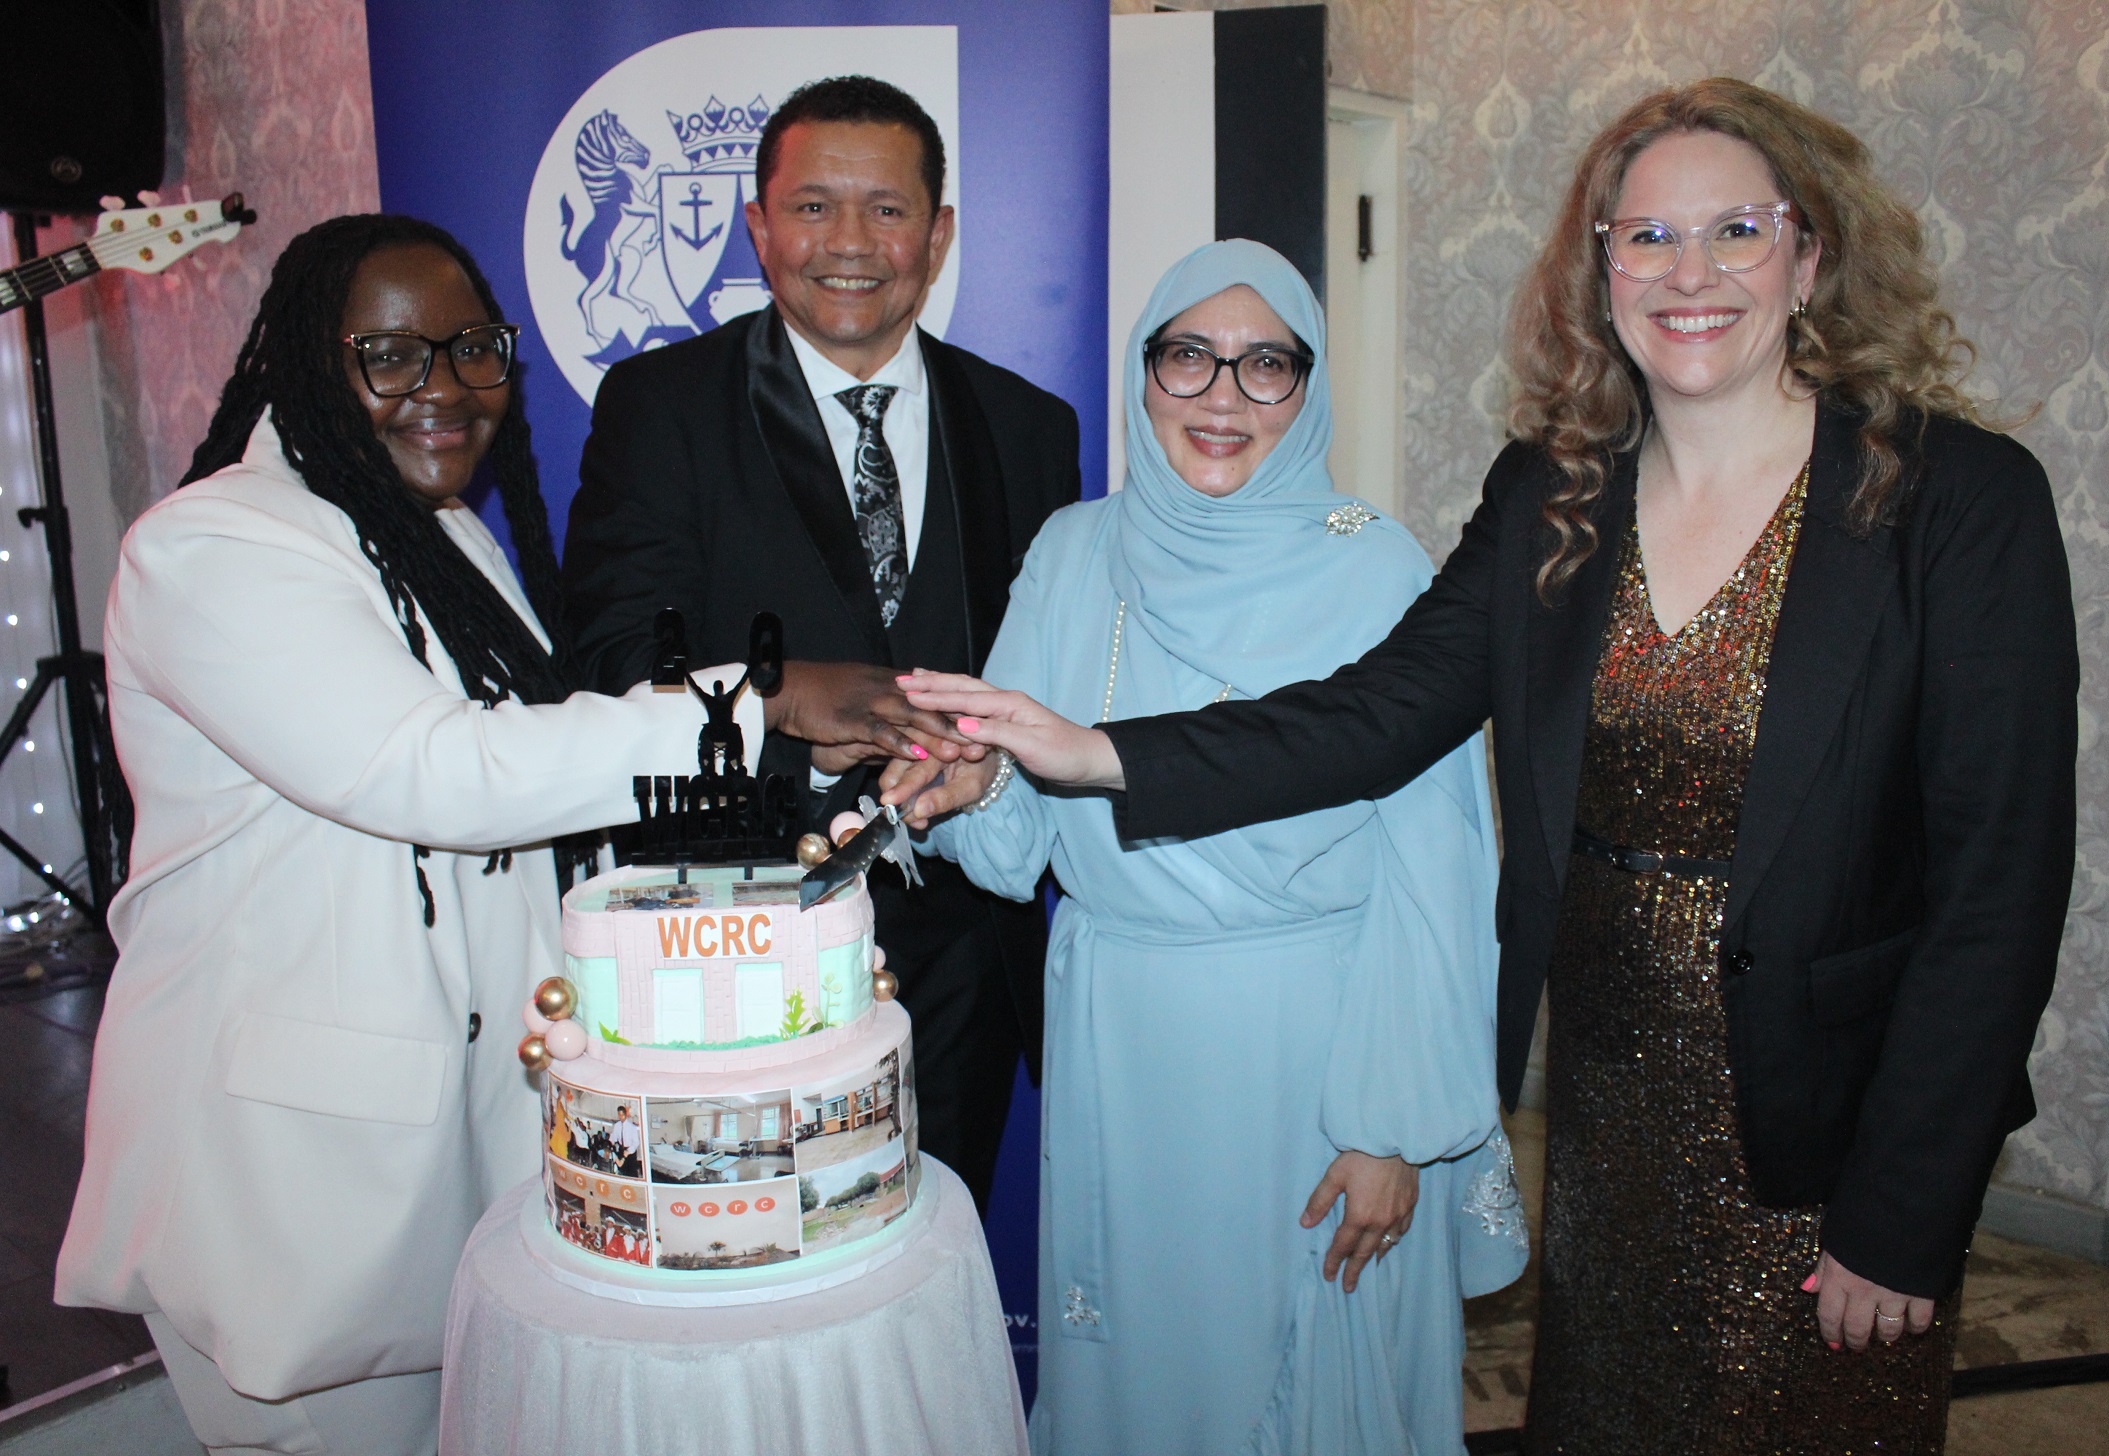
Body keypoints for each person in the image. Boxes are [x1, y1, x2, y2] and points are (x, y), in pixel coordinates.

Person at [892, 80, 2076, 1454]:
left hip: (1822, 1124)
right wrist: (1089, 753)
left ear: (1810, 256)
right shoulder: (1557, 491)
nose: (1688, 275)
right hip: (1609, 1106)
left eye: (1736, 231)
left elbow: (1998, 895)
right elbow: (1373, 717)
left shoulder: (1956, 502)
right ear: (1602, 269)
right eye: (1646, 238)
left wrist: (1907, 1210)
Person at [52, 214, 885, 1455]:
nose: (444, 390)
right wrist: (753, 701)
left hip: (461, 1137)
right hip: (296, 1176)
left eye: (473, 350)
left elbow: (544, 799)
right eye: (389, 356)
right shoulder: (214, 546)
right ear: (301, 364)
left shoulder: (433, 534)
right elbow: (433, 771)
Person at [892, 240, 1523, 1455]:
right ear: (1145, 373)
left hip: (1315, 1050)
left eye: (1265, 366)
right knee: (1149, 1373)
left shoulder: (1375, 564)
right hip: (1124, 1047)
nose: (1222, 399)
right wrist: (966, 785)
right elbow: (1020, 841)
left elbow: (1437, 868)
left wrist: (1388, 1126)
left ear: (1310, 386)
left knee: (1308, 1372)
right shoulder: (1075, 549)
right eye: (1190, 357)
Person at [561, 75, 1081, 1210]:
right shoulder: (659, 407)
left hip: (963, 960)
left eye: (887, 210)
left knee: (925, 1258)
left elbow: (1056, 686)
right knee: (751, 1290)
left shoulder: (1032, 427)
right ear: (757, 225)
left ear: (938, 235)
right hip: (729, 940)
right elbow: (601, 660)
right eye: (811, 207)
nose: (850, 243)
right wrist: (785, 691)